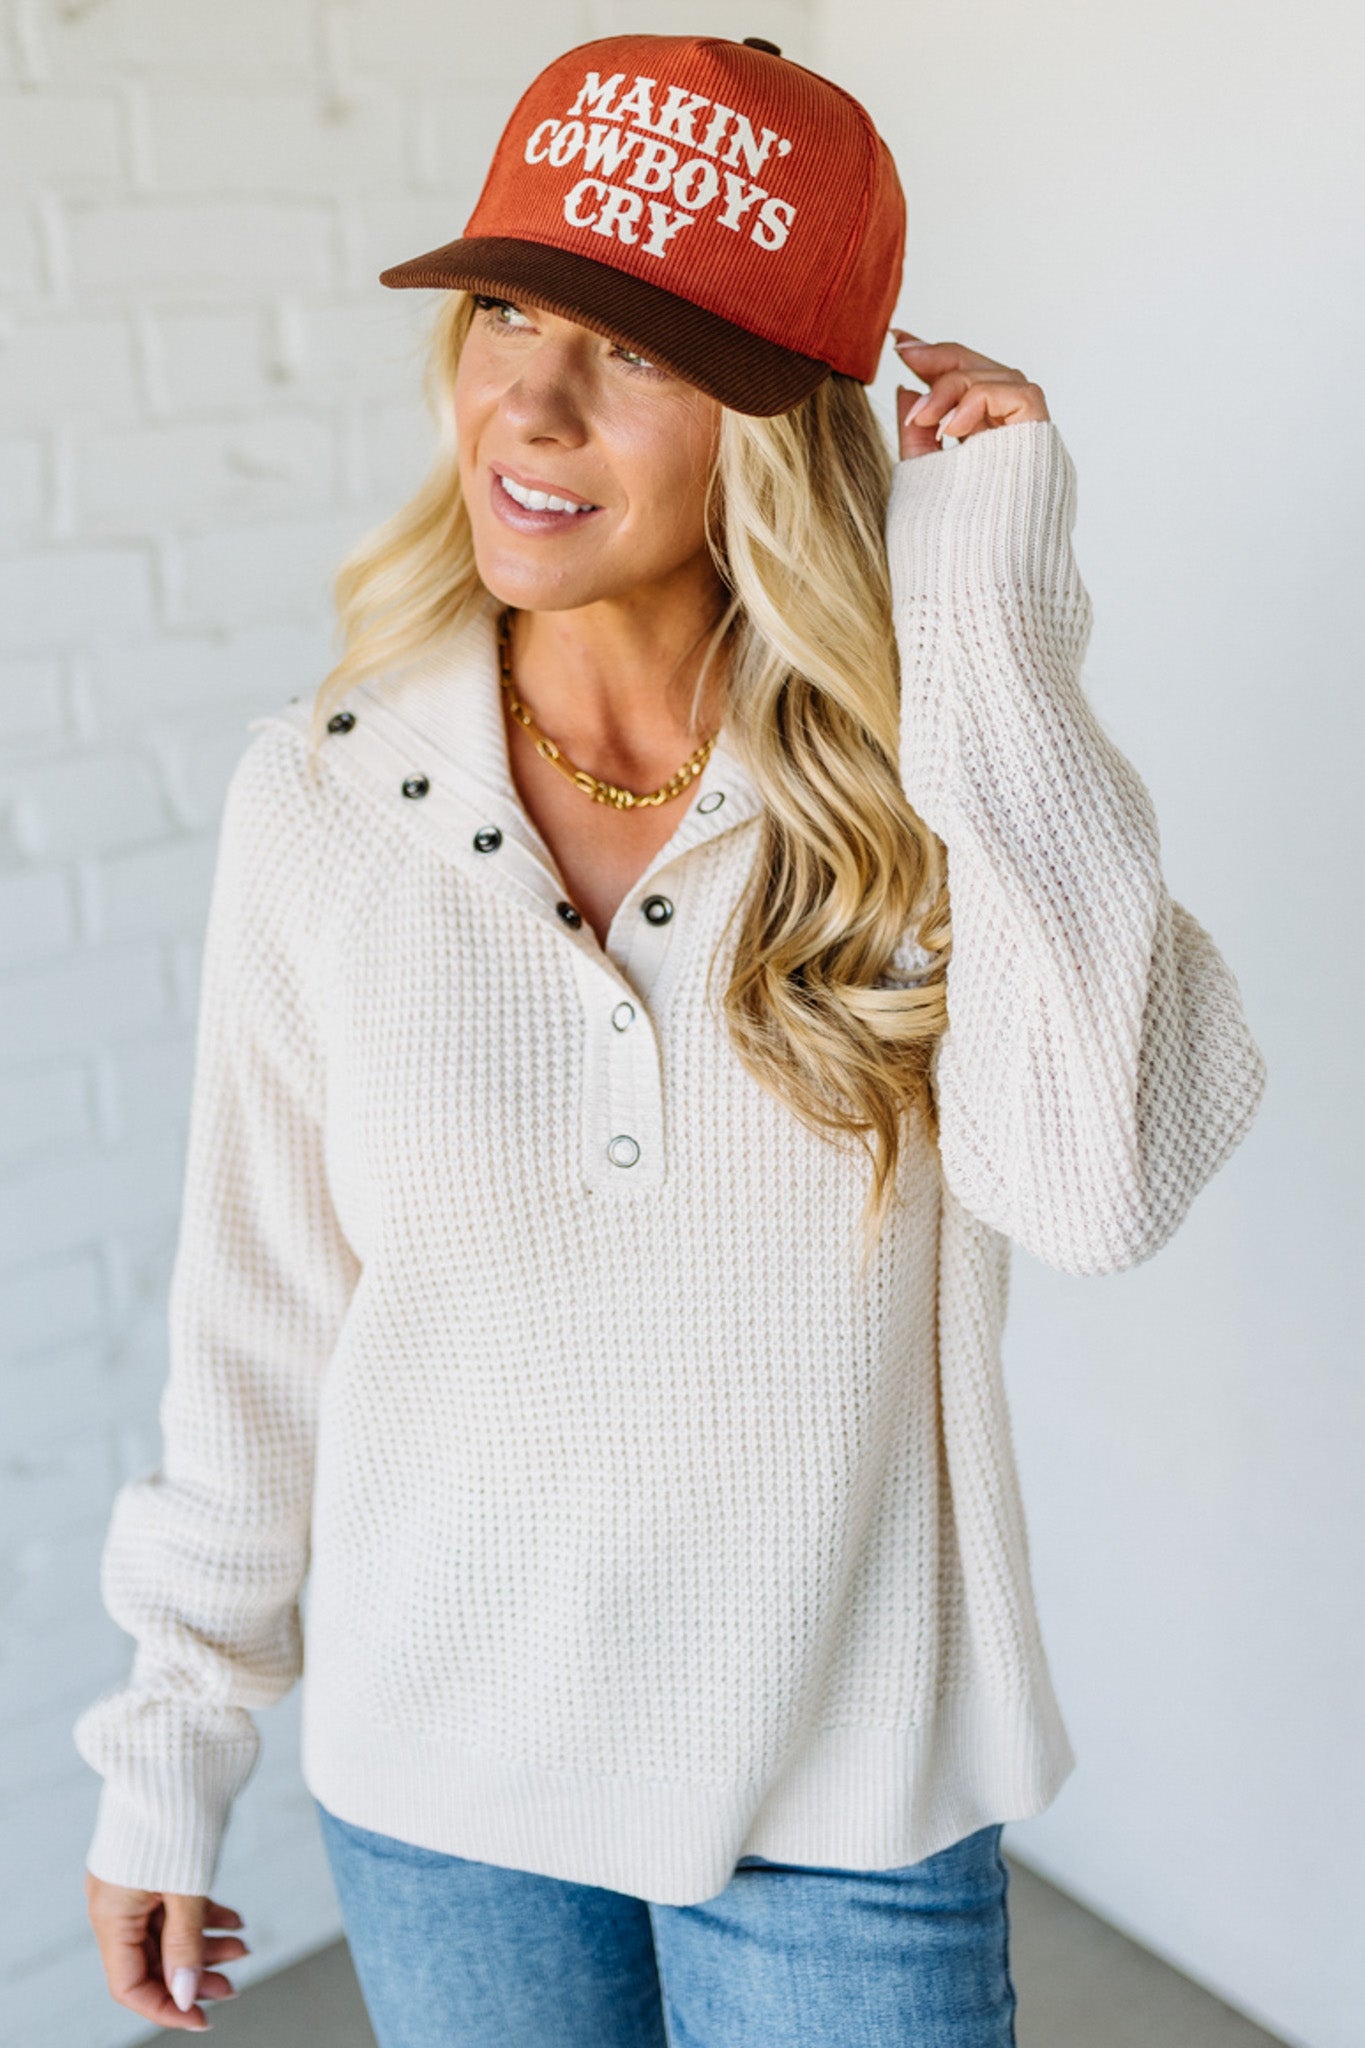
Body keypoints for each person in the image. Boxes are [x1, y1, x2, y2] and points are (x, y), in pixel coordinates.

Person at [74, 31, 1267, 2048]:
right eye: (505, 316)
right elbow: (255, 1323)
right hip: (441, 1784)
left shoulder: (928, 778)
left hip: (845, 1794)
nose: (523, 405)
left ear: (773, 421)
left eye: (626, 351)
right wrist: (167, 1746)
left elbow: (1096, 1186)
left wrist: (988, 619)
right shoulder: (328, 796)